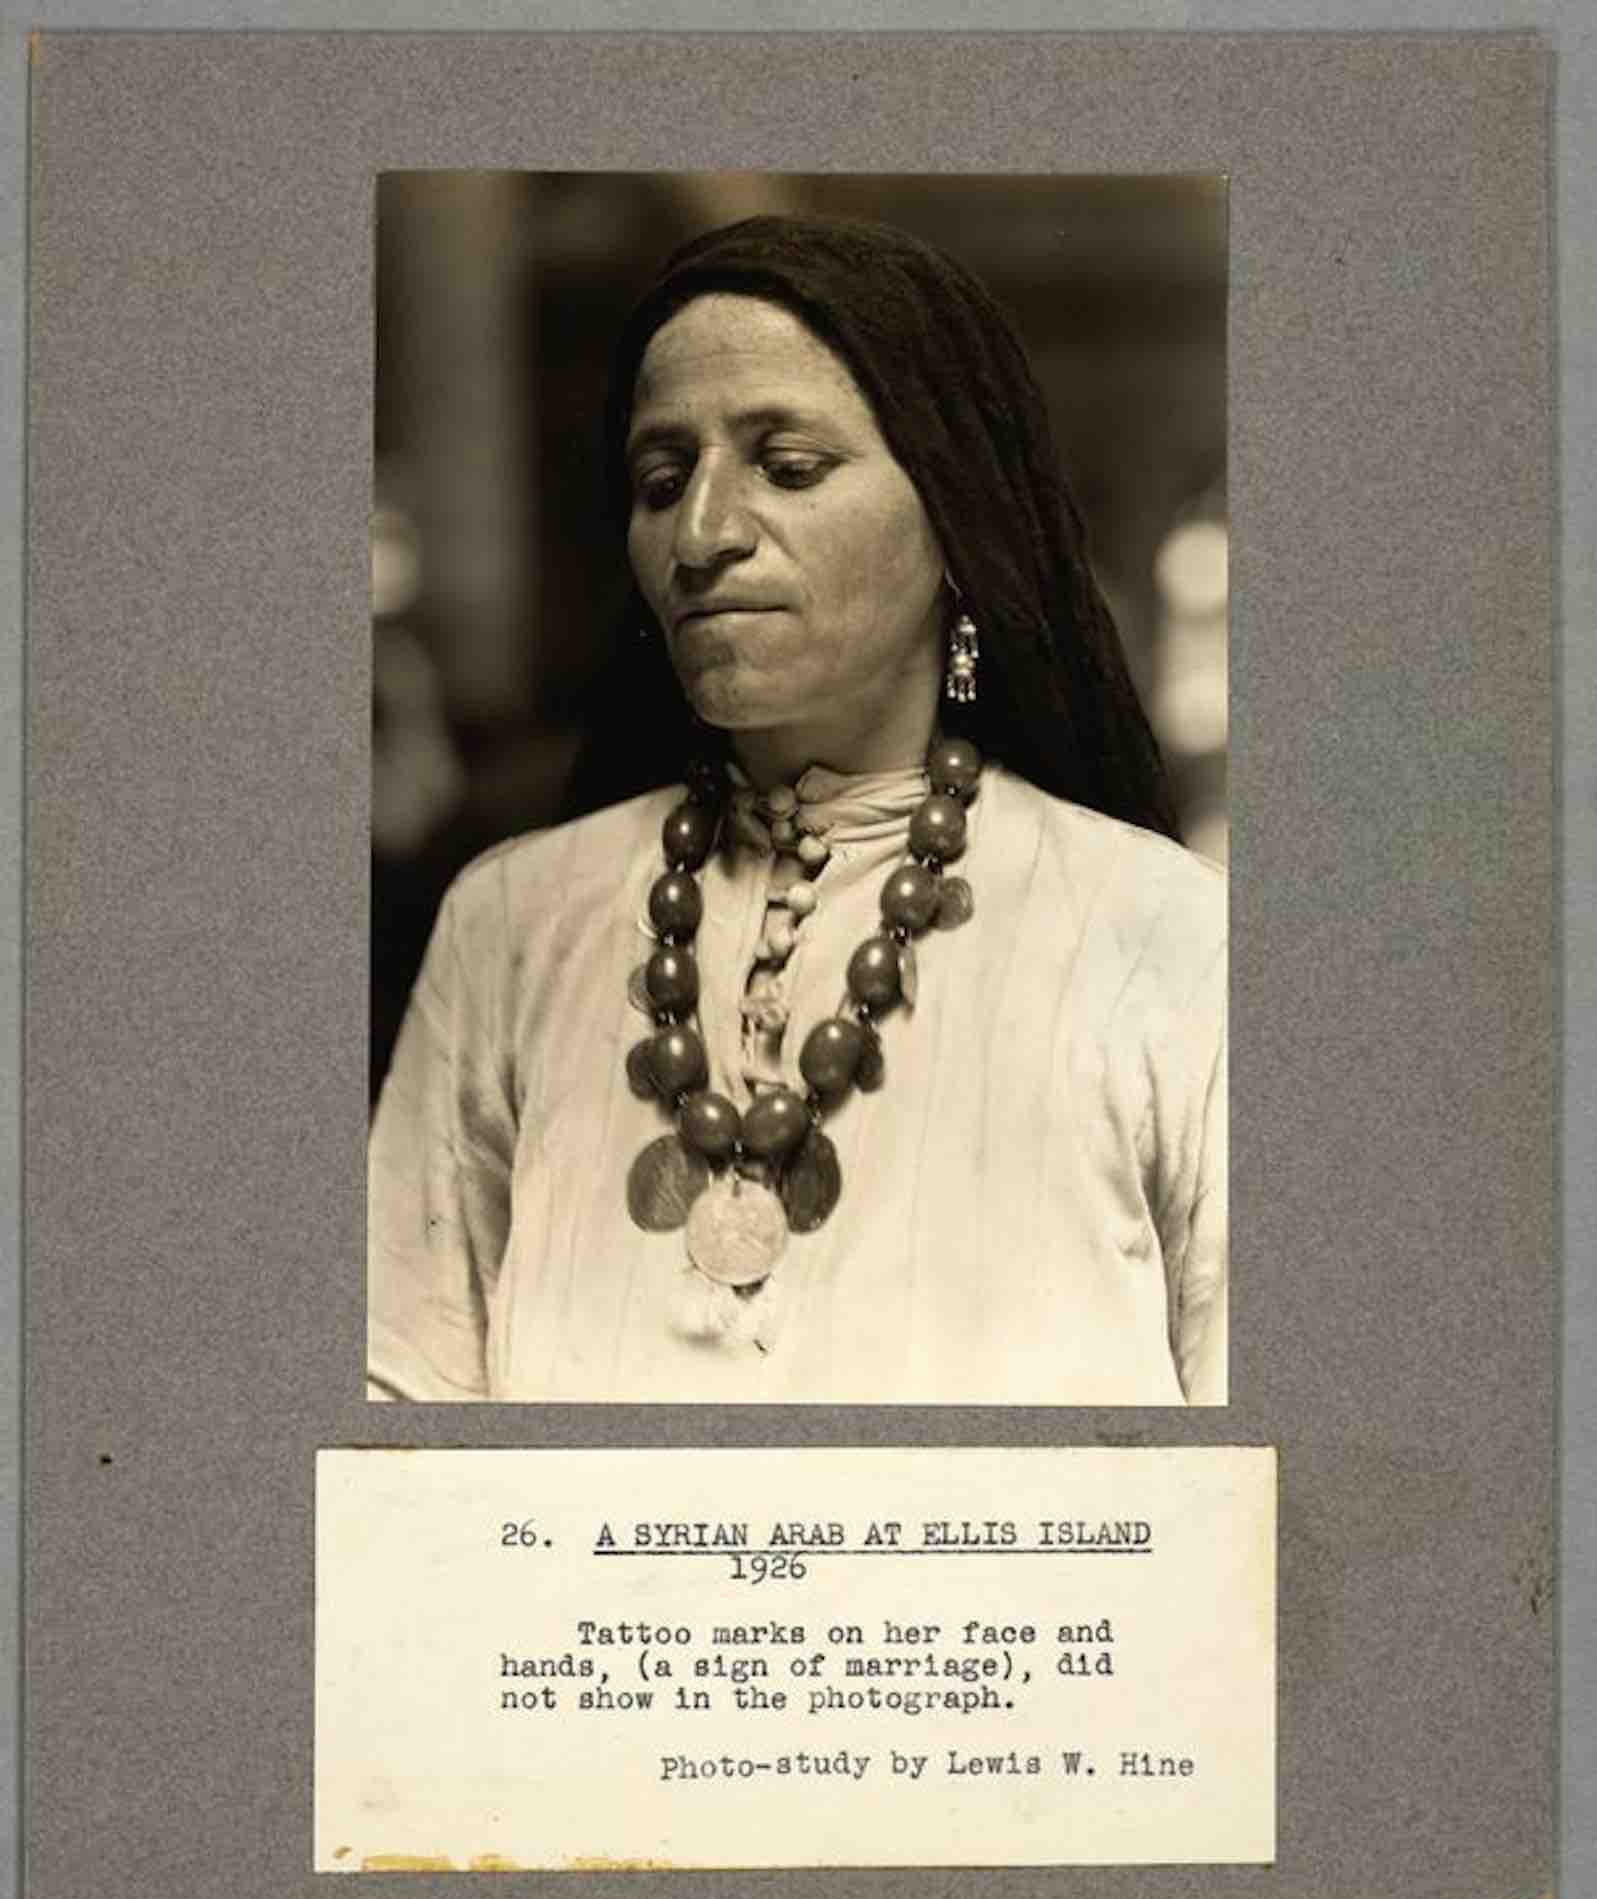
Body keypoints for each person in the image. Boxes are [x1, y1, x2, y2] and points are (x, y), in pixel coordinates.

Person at [367, 215, 1226, 1406]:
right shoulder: (509, 924)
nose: (702, 535)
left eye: (788, 466)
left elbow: (1260, 1498)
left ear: (954, 514)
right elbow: (391, 1425)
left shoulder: (1172, 936)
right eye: (662, 480)